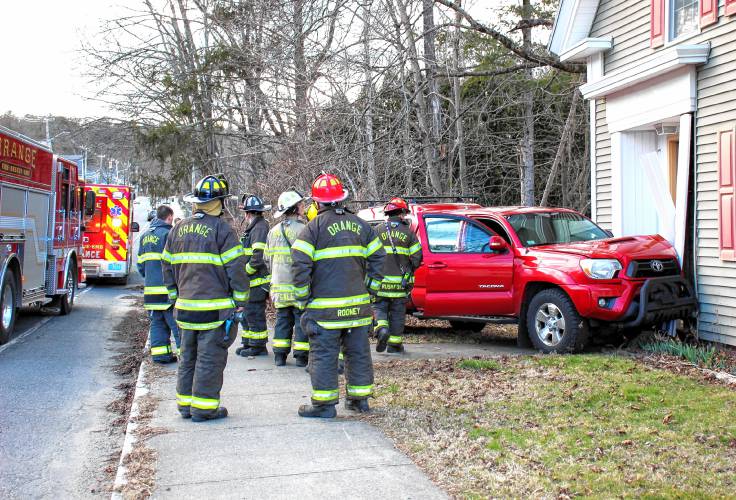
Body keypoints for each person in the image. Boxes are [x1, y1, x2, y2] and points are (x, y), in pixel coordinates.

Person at [292, 173, 385, 418]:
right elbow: (379, 258)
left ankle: (324, 405)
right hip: (358, 308)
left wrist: (303, 299)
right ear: (342, 198)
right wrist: (370, 289)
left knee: (324, 354)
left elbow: (299, 265)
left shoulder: (312, 229)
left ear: (317, 202)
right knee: (358, 353)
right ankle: (359, 401)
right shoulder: (362, 226)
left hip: (325, 312)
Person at [161, 175, 250, 422]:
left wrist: (175, 295)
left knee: (187, 356)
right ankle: (204, 408)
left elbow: (166, 266)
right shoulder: (222, 230)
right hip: (214, 312)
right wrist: (241, 299)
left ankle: (185, 405)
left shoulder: (177, 228)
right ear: (220, 203)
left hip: (185, 310)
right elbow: (236, 269)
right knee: (209, 359)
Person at [373, 197, 423, 353]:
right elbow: (417, 257)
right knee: (397, 313)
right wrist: (409, 270)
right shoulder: (408, 233)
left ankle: (381, 328)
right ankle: (394, 345)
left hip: (379, 283)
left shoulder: (377, 231)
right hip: (399, 286)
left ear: (388, 214)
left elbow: (368, 255)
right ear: (401, 214)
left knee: (379, 307)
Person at [266, 190, 309, 367]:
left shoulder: (273, 232)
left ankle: (279, 356)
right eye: (302, 204)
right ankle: (300, 357)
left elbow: (266, 259)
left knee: (282, 320)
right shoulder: (305, 230)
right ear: (296, 207)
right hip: (298, 285)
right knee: (300, 320)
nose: (304, 207)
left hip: (279, 286)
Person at [137, 205, 181, 363]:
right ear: (169, 217)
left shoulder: (144, 236)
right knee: (176, 325)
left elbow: (141, 265)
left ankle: (161, 356)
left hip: (150, 292)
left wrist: (149, 278)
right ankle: (185, 356)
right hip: (167, 291)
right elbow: (175, 264)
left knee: (157, 324)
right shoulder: (169, 234)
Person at [236, 195, 272, 357]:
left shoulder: (260, 228)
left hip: (257, 281)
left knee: (254, 313)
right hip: (251, 281)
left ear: (248, 213)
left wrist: (245, 272)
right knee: (248, 313)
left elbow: (258, 256)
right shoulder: (254, 227)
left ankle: (258, 347)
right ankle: (248, 342)